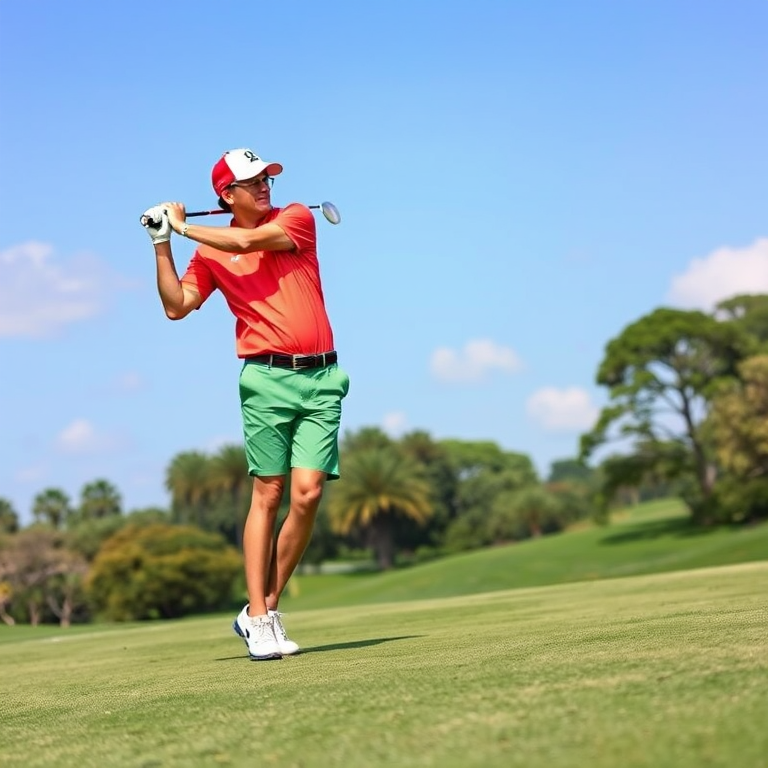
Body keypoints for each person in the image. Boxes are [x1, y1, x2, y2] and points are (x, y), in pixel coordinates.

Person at [140, 148, 349, 660]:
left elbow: (247, 239)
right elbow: (176, 306)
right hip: (265, 380)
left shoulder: (296, 218)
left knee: (308, 494)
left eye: (265, 178)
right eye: (251, 182)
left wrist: (185, 227)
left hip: (323, 375)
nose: (263, 187)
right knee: (270, 493)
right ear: (226, 196)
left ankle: (264, 605)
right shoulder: (209, 254)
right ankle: (260, 616)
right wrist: (162, 243)